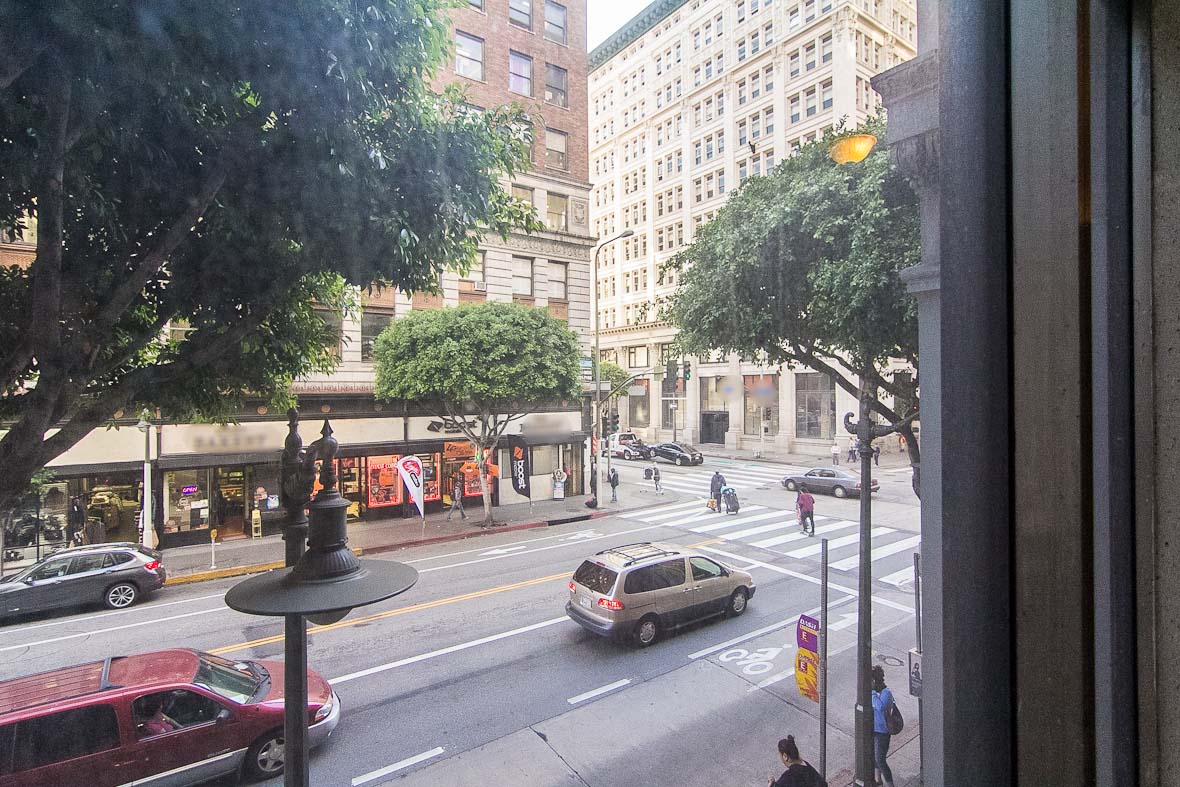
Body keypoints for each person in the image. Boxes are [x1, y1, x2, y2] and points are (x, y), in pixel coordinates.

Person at [872, 665, 897, 787]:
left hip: (882, 732)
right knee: (875, 757)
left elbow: (880, 707)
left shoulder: (886, 693)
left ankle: (890, 784)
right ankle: (878, 779)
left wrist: (872, 693)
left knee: (880, 759)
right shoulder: (875, 693)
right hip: (873, 729)